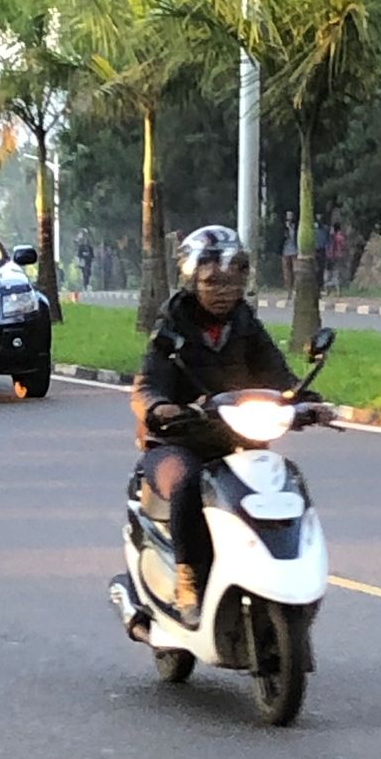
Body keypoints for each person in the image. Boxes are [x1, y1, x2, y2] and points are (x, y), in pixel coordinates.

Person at [132, 225, 298, 618]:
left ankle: (280, 570)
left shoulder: (245, 324)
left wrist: (308, 402)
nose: (224, 291)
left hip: (237, 440)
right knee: (188, 482)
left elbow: (279, 376)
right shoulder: (172, 327)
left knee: (282, 478)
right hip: (177, 442)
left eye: (233, 281)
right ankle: (188, 578)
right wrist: (160, 407)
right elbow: (147, 385)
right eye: (212, 282)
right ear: (192, 280)